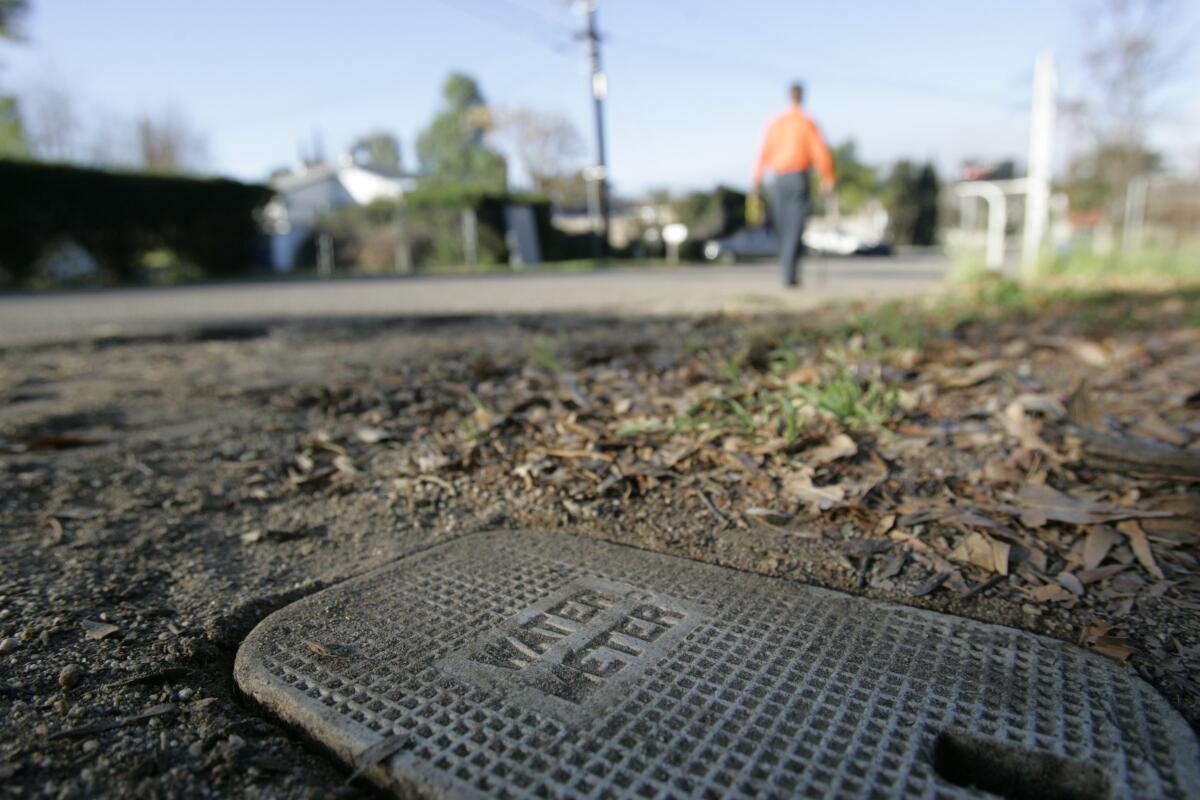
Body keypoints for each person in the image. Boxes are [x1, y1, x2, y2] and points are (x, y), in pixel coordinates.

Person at [753, 82, 836, 287]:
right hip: (796, 178)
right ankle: (789, 273)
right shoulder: (805, 122)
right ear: (802, 97)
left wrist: (757, 178)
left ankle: (788, 272)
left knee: (784, 227)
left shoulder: (776, 123)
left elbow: (764, 153)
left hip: (779, 179)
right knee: (792, 227)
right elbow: (819, 151)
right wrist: (827, 177)